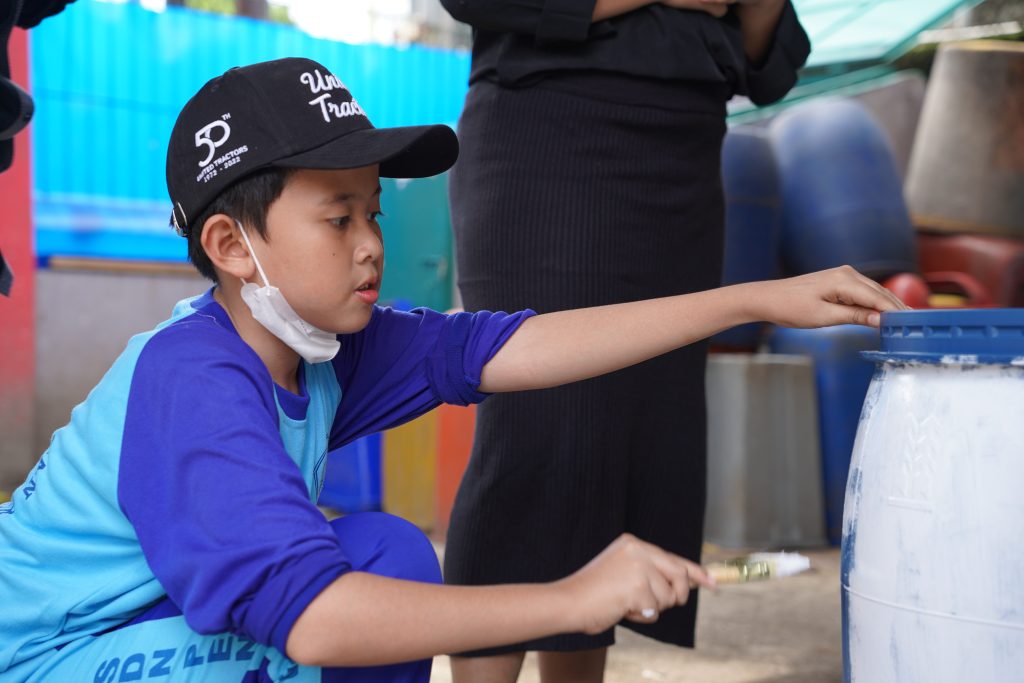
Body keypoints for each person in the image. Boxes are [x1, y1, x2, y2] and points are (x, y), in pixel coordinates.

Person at [0, 57, 902, 683]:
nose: (371, 245)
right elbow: (311, 620)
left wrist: (752, 298)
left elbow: (513, 346)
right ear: (233, 245)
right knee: (346, 601)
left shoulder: (322, 343)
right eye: (339, 218)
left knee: (385, 552)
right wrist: (569, 597)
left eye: (375, 213)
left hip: (136, 627)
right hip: (50, 656)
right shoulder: (194, 380)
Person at [438, 0, 811, 679]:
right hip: (552, 132)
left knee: (624, 455)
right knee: (538, 442)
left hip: (684, 155)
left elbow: (765, 65)